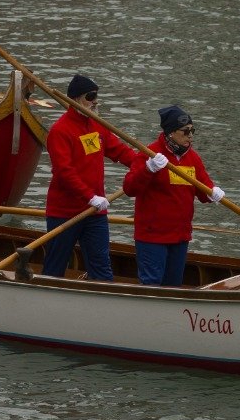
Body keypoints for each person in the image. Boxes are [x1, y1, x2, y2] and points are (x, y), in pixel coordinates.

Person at [42, 75, 135, 280]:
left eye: (96, 96)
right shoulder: (60, 131)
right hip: (65, 212)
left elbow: (119, 151)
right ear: (75, 100)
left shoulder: (97, 125)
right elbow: (64, 172)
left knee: (102, 266)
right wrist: (89, 196)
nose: (95, 101)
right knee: (55, 266)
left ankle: (105, 303)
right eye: (90, 96)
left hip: (95, 212)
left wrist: (145, 163)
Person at [122, 105, 223, 287]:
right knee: (152, 286)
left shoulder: (193, 158)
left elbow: (203, 190)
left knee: (173, 286)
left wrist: (213, 193)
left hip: (180, 237)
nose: (190, 136)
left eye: (193, 131)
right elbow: (129, 188)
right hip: (152, 237)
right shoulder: (150, 153)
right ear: (170, 133)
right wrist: (149, 169)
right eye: (185, 131)